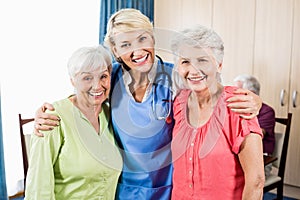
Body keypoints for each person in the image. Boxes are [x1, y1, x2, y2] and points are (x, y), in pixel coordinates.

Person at [32, 9, 263, 200]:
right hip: (123, 190)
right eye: (125, 44)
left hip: (168, 189)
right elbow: (84, 93)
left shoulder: (176, 77)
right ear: (115, 51)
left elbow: (212, 86)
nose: (137, 51)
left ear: (152, 39)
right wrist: (47, 113)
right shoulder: (110, 77)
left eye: (142, 39)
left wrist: (256, 101)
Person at [170, 25, 265, 199]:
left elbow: (256, 181)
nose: (193, 70)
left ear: (219, 65)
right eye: (185, 61)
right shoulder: (179, 102)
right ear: (178, 67)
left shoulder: (238, 105)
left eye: (203, 60)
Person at [24, 45, 122, 199]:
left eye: (103, 76)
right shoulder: (51, 118)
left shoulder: (112, 114)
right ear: (73, 81)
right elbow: (38, 187)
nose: (97, 86)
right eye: (87, 78)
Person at [234, 74, 276, 176]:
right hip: (237, 156)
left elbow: (254, 136)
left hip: (260, 159)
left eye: (237, 91)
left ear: (251, 93)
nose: (233, 94)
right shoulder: (235, 109)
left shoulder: (267, 111)